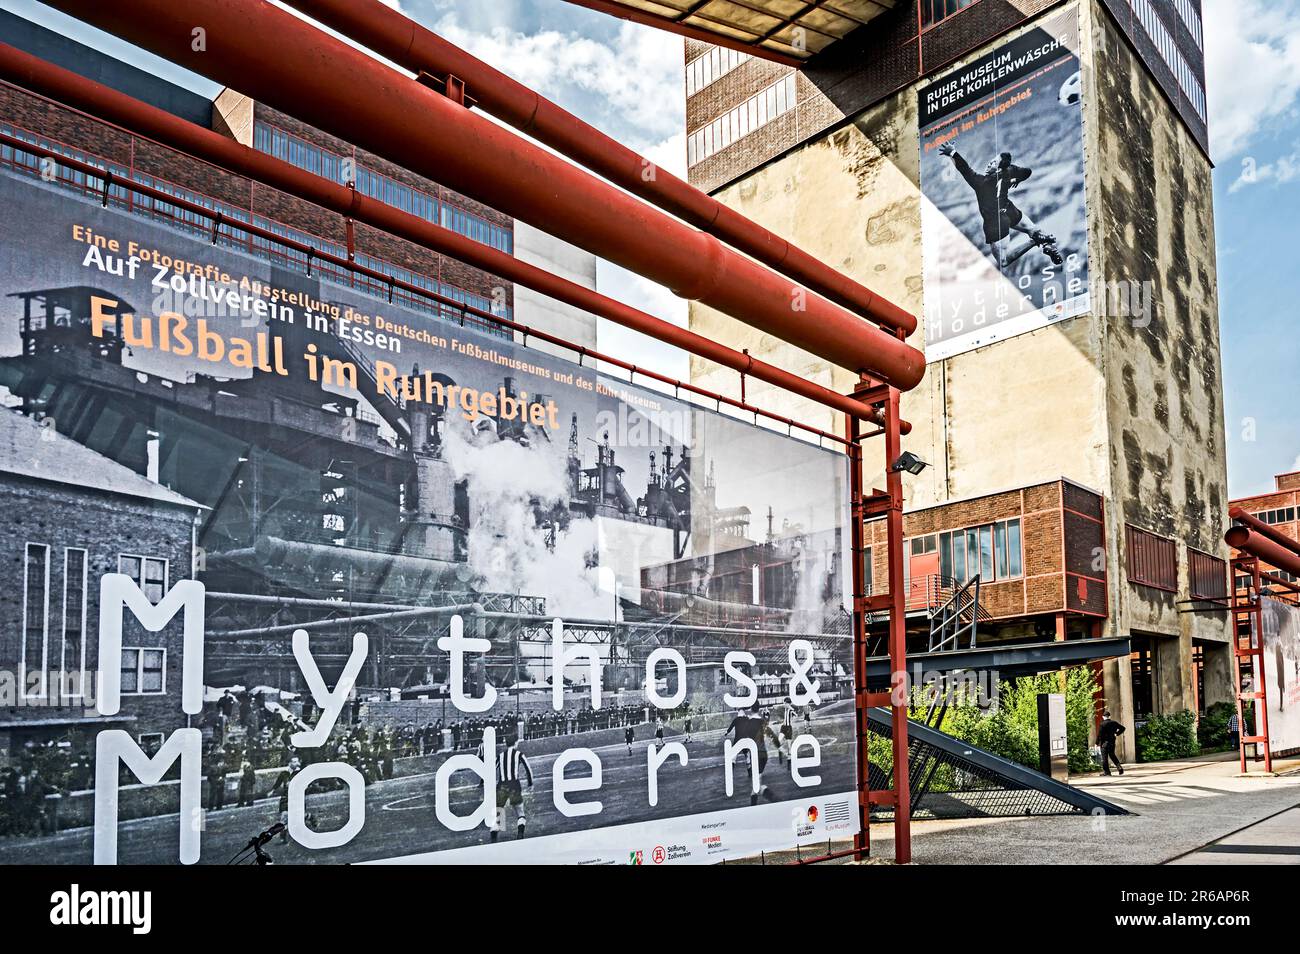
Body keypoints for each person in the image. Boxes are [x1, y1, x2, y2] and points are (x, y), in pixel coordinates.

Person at [937, 141, 1063, 269]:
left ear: (998, 168)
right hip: (1009, 210)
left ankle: (1034, 242)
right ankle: (1047, 245)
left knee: (1003, 261)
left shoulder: (981, 183)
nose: (989, 163)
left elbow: (965, 169)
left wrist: (953, 153)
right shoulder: (1009, 171)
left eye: (993, 163)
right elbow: (1027, 172)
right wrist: (1016, 180)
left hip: (995, 222)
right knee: (1034, 230)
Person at [490, 737, 533, 843]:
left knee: (498, 813)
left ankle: (494, 834)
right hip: (514, 785)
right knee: (520, 812)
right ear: (516, 742)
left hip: (501, 786)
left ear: (506, 743)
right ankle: (520, 834)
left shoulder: (500, 756)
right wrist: (530, 783)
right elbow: (528, 769)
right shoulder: (519, 754)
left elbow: (492, 770)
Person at [1097, 710, 1126, 776]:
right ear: (1109, 716)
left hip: (1104, 743)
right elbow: (1123, 728)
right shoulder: (1114, 723)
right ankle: (1119, 767)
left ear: (1103, 717)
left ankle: (1107, 772)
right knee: (1112, 755)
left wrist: (1097, 743)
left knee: (1104, 758)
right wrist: (1116, 733)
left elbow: (1100, 735)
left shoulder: (1102, 724)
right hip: (1112, 742)